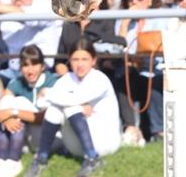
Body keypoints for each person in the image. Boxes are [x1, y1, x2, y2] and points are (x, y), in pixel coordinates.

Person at [25, 39, 121, 177]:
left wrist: (48, 92)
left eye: (85, 59)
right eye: (75, 59)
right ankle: (41, 158)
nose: (80, 64)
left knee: (71, 106)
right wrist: (74, 103)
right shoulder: (66, 79)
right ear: (69, 60)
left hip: (105, 142)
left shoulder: (100, 79)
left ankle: (93, 158)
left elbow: (73, 99)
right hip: (76, 146)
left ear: (93, 60)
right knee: (55, 109)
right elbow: (40, 103)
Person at [0, 45, 56, 177]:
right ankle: (2, 159)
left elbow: (42, 117)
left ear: (43, 66)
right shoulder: (17, 81)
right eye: (25, 65)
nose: (30, 70)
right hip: (26, 134)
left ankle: (13, 159)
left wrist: (13, 112)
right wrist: (7, 118)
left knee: (18, 102)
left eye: (34, 64)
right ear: (20, 68)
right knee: (6, 101)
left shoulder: (51, 80)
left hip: (47, 137)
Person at [113, 0, 164, 146]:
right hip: (131, 72)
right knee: (121, 76)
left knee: (155, 80)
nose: (134, 1)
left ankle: (158, 132)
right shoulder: (122, 21)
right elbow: (116, 50)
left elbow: (163, 48)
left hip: (154, 71)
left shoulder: (161, 17)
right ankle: (131, 129)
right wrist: (125, 24)